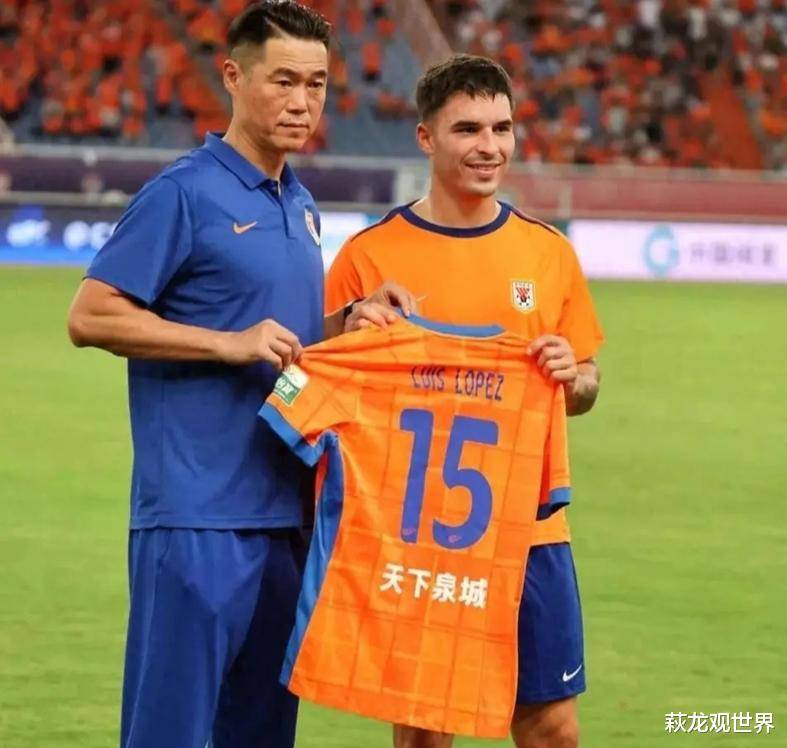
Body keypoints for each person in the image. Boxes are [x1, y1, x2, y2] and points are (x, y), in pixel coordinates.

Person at [67, 3, 415, 747]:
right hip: (196, 517)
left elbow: (280, 340)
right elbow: (91, 315)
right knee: (170, 733)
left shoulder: (302, 204)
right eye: (283, 80)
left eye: (316, 85)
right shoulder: (183, 193)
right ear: (232, 76)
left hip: (286, 518)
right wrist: (225, 344)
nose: (302, 102)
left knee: (259, 734)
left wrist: (347, 322)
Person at [325, 55, 604, 748]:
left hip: (531, 530)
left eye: (501, 128)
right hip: (420, 539)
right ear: (425, 137)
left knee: (553, 730)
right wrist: (349, 335)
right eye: (468, 129)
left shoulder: (547, 253)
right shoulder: (367, 257)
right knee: (425, 733)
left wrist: (572, 376)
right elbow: (322, 384)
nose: (490, 146)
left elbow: (585, 385)